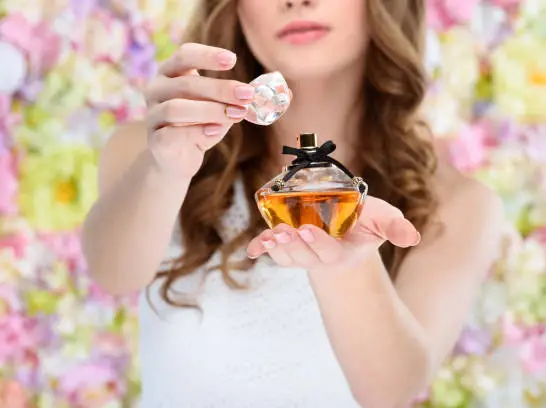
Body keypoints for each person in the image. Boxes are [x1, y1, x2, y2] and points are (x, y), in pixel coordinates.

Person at [81, 0, 505, 406]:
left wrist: (348, 264)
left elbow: (391, 392)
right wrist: (165, 170)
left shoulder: (456, 204)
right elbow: (113, 273)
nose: (296, 1)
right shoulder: (153, 148)